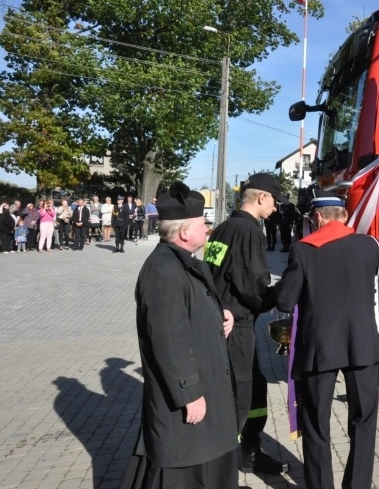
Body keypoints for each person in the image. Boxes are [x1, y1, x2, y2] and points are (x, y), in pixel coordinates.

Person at [275, 190, 379, 489]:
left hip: (319, 348)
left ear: (317, 217)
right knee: (363, 422)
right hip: (363, 347)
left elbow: (285, 302)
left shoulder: (303, 250)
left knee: (316, 423)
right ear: (344, 216)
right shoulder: (369, 246)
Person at [121, 180, 239, 489]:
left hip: (207, 394)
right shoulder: (163, 272)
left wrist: (220, 314)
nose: (208, 229)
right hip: (188, 403)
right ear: (184, 232)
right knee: (184, 469)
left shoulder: (182, 263)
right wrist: (189, 393)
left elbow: (190, 311)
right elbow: (168, 341)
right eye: (204, 224)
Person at [204, 172, 289, 476]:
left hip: (219, 321)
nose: (277, 208)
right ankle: (223, 470)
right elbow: (252, 288)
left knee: (253, 388)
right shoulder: (250, 231)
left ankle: (249, 451)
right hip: (235, 325)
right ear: (261, 197)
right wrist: (283, 293)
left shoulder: (222, 229)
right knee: (239, 395)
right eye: (275, 201)